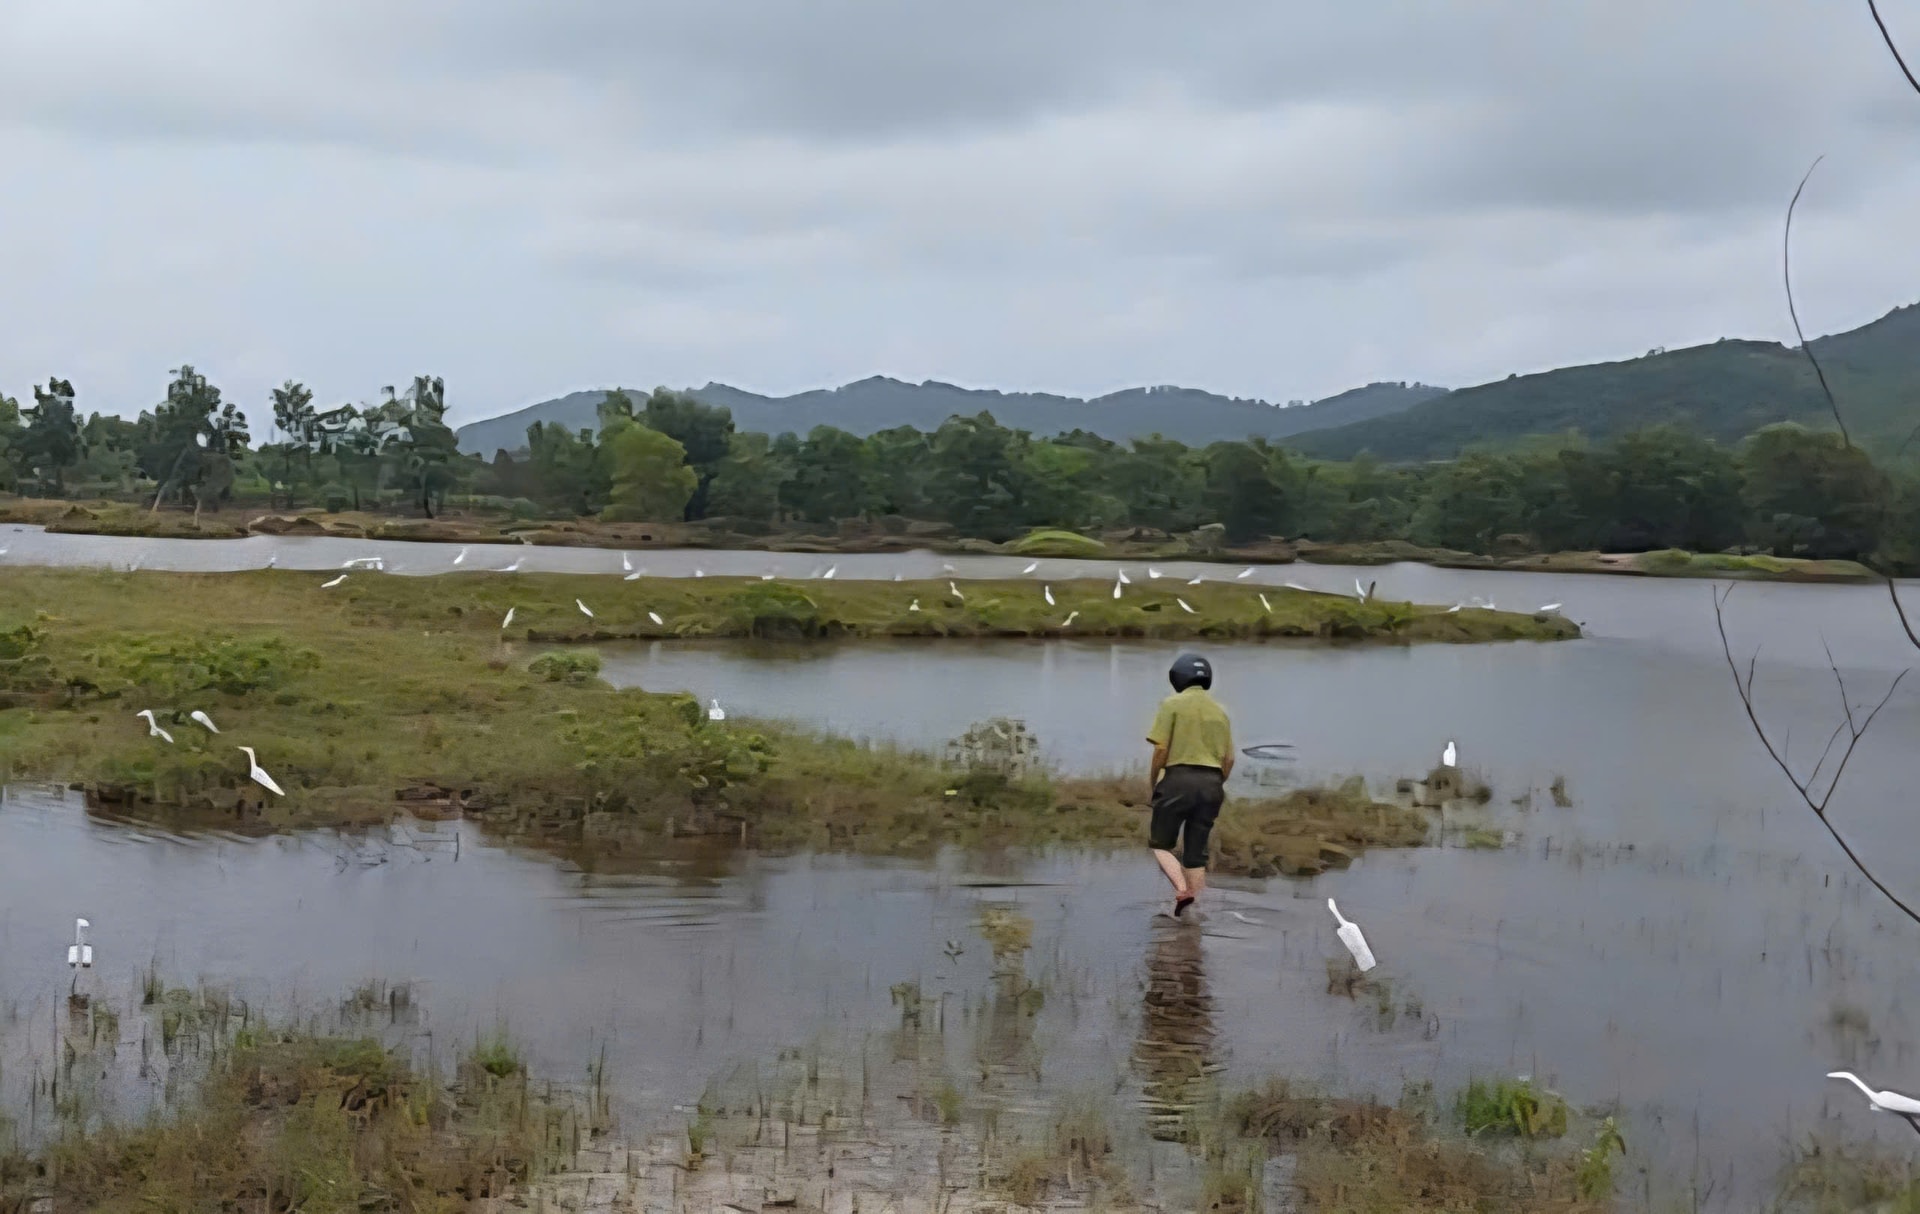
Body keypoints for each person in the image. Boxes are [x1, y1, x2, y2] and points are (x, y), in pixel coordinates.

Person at [1145, 652, 1234, 916]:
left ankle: (1183, 891)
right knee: (1196, 856)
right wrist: (1215, 783)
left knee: (1160, 845)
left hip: (1178, 779)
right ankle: (1196, 919)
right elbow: (1228, 758)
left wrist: (1154, 780)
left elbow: (1161, 749)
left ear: (1177, 678)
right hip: (1212, 784)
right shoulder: (1220, 712)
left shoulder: (1171, 704)